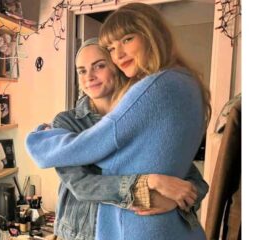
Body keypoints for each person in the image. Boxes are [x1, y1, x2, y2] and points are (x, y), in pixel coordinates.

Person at [26, 3, 210, 240]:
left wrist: (176, 199)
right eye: (81, 70)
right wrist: (146, 185)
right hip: (82, 231)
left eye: (99, 66)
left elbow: (186, 172)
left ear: (116, 67)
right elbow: (82, 184)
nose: (89, 76)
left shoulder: (145, 105)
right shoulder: (67, 121)